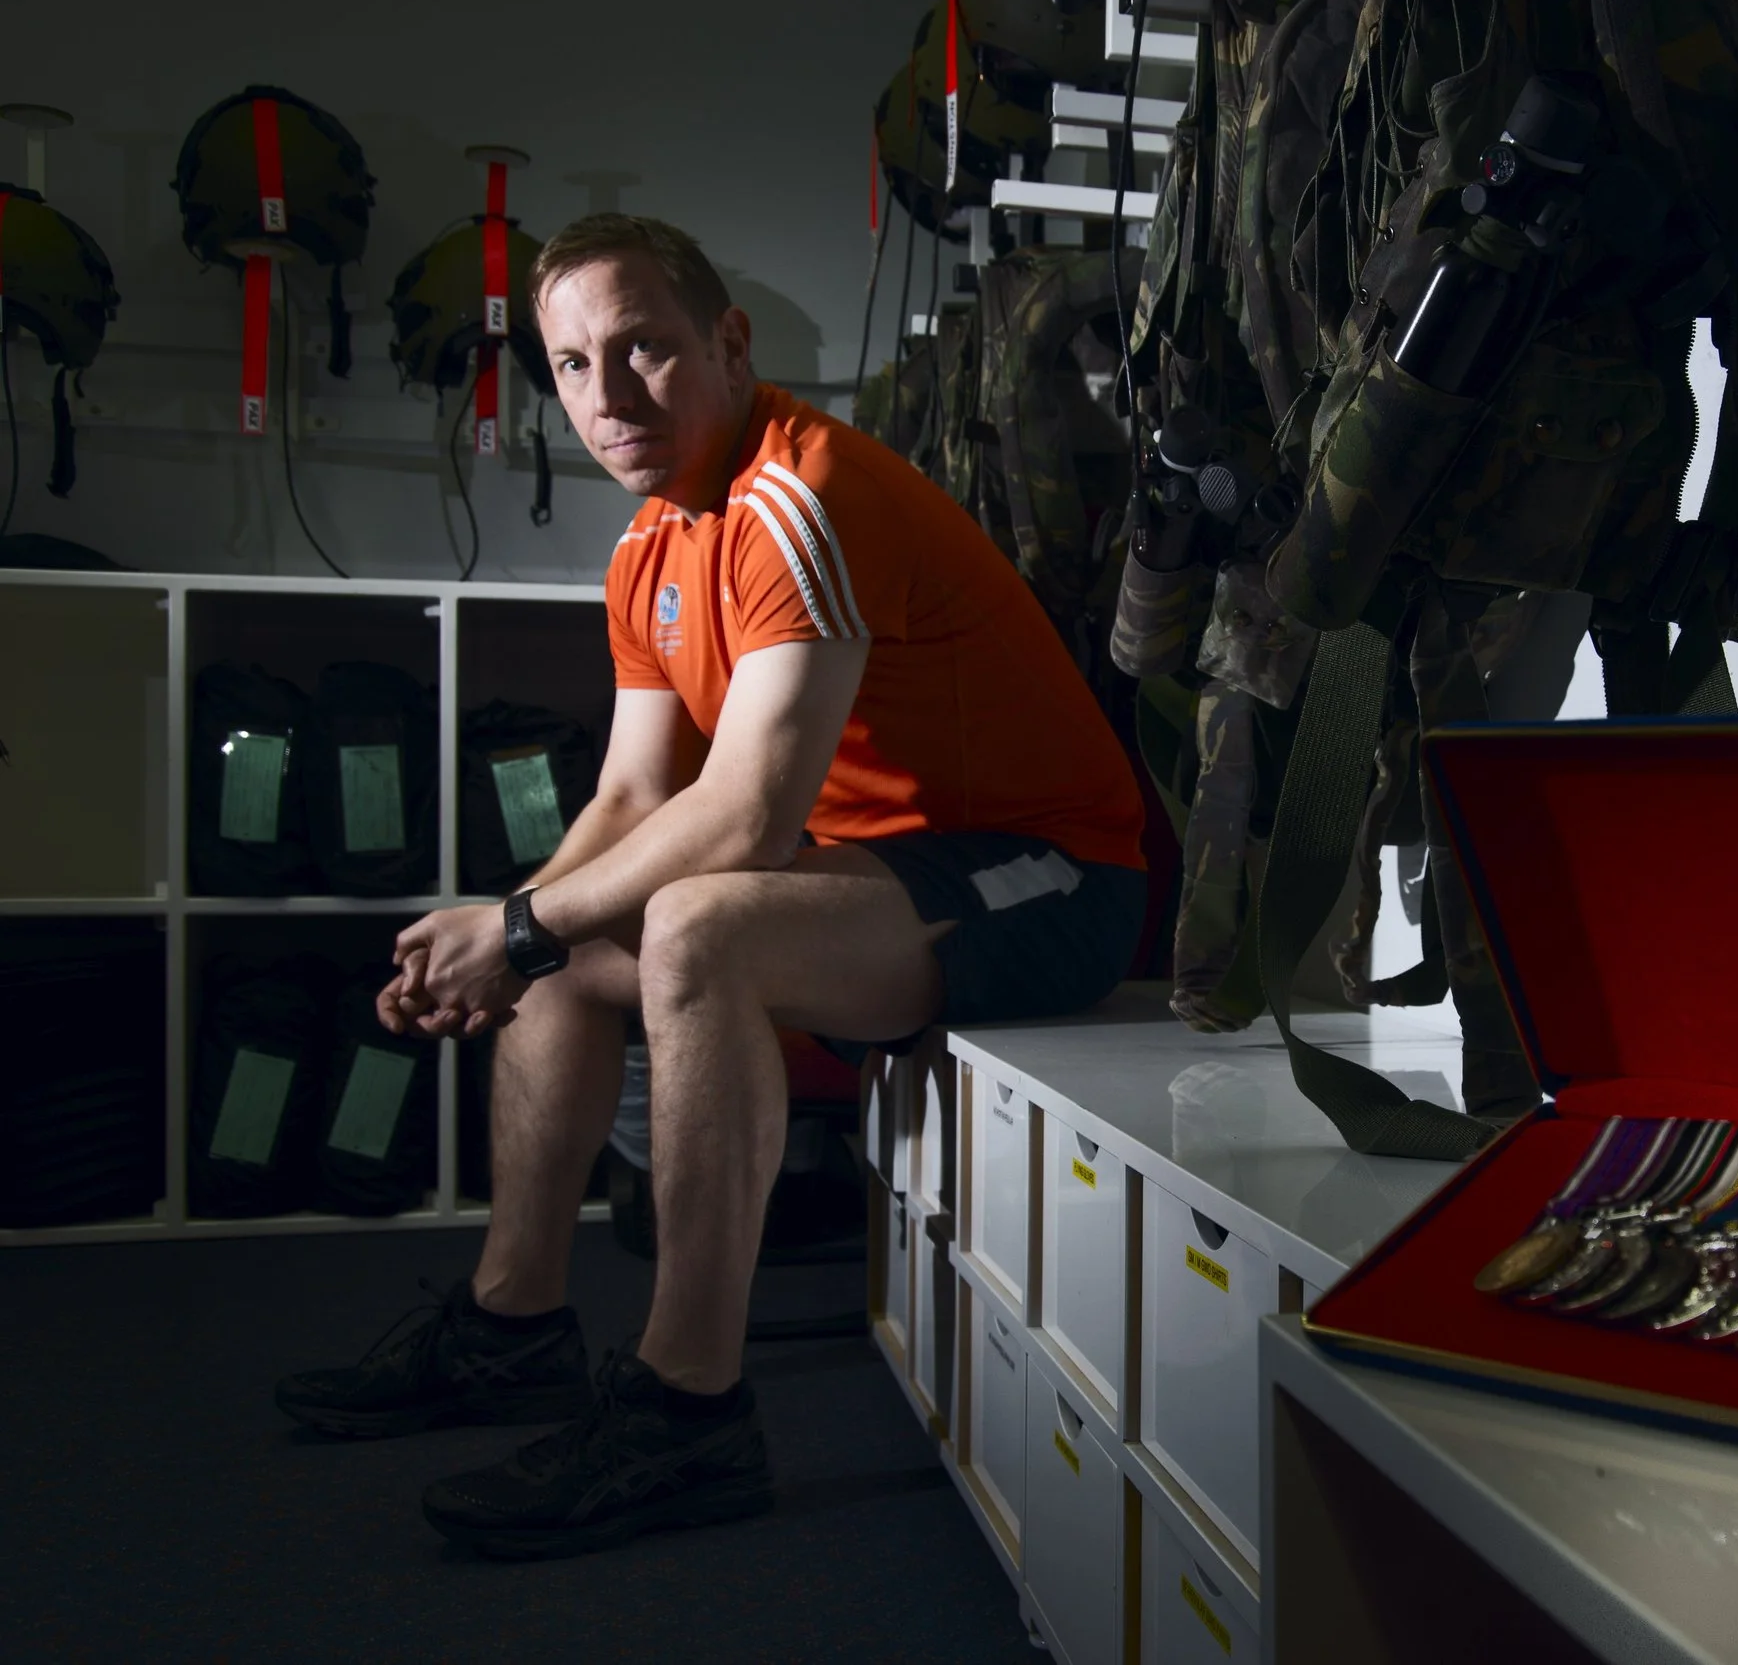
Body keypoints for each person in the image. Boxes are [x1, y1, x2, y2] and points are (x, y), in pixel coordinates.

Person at [271, 214, 1147, 1559]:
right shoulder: (649, 548)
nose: (607, 397)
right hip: (865, 882)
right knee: (571, 950)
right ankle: (512, 1328)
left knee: (690, 922)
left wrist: (513, 928)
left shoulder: (804, 491)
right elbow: (627, 801)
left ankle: (690, 1412)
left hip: (1047, 877)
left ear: (728, 346)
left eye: (644, 351)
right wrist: (503, 938)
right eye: (571, 365)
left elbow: (742, 816)